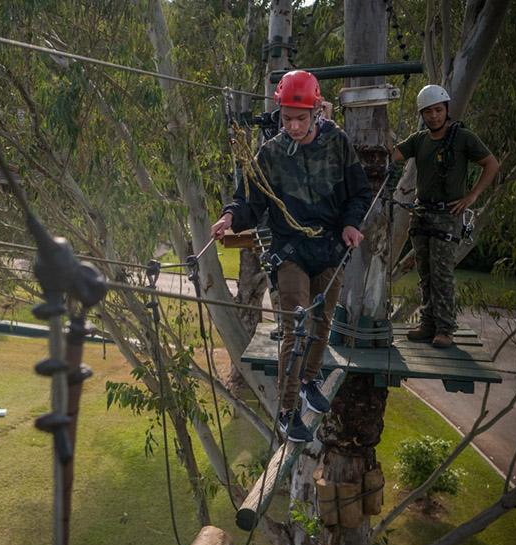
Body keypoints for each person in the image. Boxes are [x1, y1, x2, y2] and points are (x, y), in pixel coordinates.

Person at [211, 70, 372, 443]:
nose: (294, 126)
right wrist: (230, 217)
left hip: (330, 248)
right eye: (287, 119)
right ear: (279, 114)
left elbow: (359, 194)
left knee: (322, 323)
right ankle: (287, 410)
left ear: (317, 111)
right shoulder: (271, 153)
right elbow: (250, 198)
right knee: (298, 323)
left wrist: (350, 225)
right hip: (291, 251)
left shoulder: (338, 143)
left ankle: (309, 381)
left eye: (301, 118)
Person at [391, 85, 499, 349]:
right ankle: (428, 323)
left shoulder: (463, 138)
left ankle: (445, 329)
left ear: (447, 110)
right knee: (425, 272)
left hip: (447, 215)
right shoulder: (419, 140)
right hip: (422, 213)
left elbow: (491, 163)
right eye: (427, 112)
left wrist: (471, 196)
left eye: (438, 110)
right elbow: (392, 154)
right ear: (422, 115)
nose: (434, 116)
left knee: (442, 273)